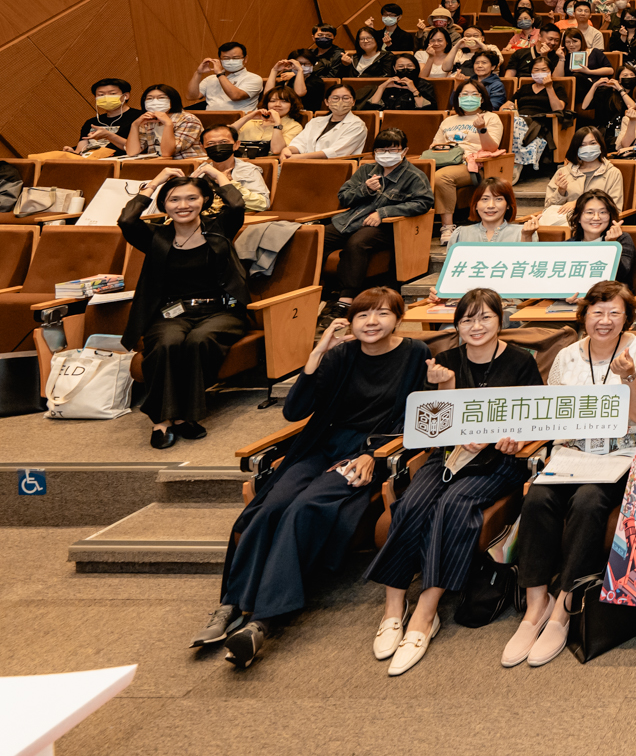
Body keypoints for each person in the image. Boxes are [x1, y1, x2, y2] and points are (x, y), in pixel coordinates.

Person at [195, 290, 433, 668]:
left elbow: (420, 417)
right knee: (270, 505)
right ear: (350, 323)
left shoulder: (416, 353)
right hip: (321, 446)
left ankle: (264, 620)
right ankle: (231, 604)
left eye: (382, 313)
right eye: (362, 315)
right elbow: (295, 411)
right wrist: (318, 352)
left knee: (306, 507)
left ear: (398, 319)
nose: (371, 321)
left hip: (367, 452)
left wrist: (373, 454)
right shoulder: (339, 355)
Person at [366, 288, 539, 675]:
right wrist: (442, 387)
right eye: (467, 319)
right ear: (456, 324)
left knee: (453, 505)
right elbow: (429, 432)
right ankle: (394, 607)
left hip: (498, 462)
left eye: (485, 318)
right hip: (448, 458)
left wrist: (516, 440)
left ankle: (426, 614)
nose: (476, 327)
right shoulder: (441, 362)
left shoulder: (520, 362)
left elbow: (534, 420)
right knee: (409, 503)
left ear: (500, 319)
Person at [502, 281, 636, 668]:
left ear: (628, 317)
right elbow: (551, 414)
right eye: (597, 312)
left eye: (614, 313)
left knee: (589, 503)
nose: (604, 321)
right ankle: (535, 605)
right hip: (571, 452)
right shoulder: (567, 356)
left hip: (618, 456)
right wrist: (517, 434)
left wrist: (627, 377)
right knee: (537, 499)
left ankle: (563, 607)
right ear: (584, 315)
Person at [120, 170, 251, 449]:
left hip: (220, 312)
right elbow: (127, 220)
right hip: (171, 312)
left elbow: (238, 205)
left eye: (192, 198)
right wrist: (154, 182)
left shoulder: (219, 228)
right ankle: (162, 420)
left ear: (204, 200)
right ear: (164, 204)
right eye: (174, 199)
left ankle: (184, 417)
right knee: (167, 342)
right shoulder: (156, 237)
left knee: (198, 341)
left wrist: (216, 174)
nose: (183, 205)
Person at [328, 131, 433, 305]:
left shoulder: (414, 176)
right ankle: (318, 290)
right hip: (351, 220)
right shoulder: (365, 170)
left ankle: (346, 298)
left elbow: (423, 203)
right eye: (382, 150)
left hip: (386, 227)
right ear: (374, 152)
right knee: (317, 238)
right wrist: (365, 189)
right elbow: (343, 197)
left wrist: (384, 213)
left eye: (393, 150)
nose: (387, 154)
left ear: (404, 151)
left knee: (356, 244)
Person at [428, 80, 506, 239]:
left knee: (441, 178)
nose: (468, 98)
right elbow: (434, 145)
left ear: (481, 98)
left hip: (473, 164)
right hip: (445, 159)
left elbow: (492, 148)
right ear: (457, 98)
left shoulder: (491, 118)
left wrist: (481, 130)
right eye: (464, 94)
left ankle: (447, 228)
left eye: (473, 94)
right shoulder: (448, 120)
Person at [283, 84, 370, 159]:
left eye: (346, 98)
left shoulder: (357, 126)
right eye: (335, 98)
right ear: (327, 102)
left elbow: (334, 152)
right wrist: (287, 150)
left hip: (334, 169)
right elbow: (300, 143)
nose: (340, 102)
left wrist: (299, 158)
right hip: (304, 165)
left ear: (353, 102)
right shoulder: (315, 122)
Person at [195, 124, 271, 210]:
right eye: (211, 143)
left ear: (236, 145)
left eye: (224, 142)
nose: (218, 147)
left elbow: (263, 204)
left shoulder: (248, 170)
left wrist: (230, 184)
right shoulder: (201, 170)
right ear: (203, 148)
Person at [126, 84, 203, 160]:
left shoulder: (188, 119)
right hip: (158, 165)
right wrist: (135, 125)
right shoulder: (148, 121)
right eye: (149, 98)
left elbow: (167, 153)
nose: (155, 101)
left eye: (161, 98)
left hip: (186, 165)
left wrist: (168, 124)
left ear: (172, 100)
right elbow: (132, 152)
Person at [189, 41, 264, 112]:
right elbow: (191, 97)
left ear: (245, 59)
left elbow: (236, 96)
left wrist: (219, 73)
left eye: (236, 58)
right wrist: (198, 73)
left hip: (241, 121)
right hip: (211, 121)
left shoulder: (253, 78)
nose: (231, 61)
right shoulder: (210, 79)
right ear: (220, 60)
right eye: (226, 58)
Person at [448, 179, 521, 245]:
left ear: (508, 205)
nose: (491, 205)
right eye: (485, 199)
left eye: (498, 199)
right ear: (475, 205)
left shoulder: (521, 233)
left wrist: (526, 237)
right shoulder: (461, 234)